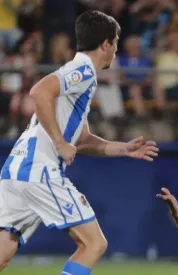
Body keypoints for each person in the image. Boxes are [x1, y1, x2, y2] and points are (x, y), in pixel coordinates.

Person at [0, 11, 159, 275]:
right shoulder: (83, 69)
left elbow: (83, 141)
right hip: (39, 169)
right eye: (116, 42)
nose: (116, 49)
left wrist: (123, 149)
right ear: (106, 44)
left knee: (3, 253)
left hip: (16, 169)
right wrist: (60, 142)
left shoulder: (80, 77)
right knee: (94, 243)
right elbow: (39, 91)